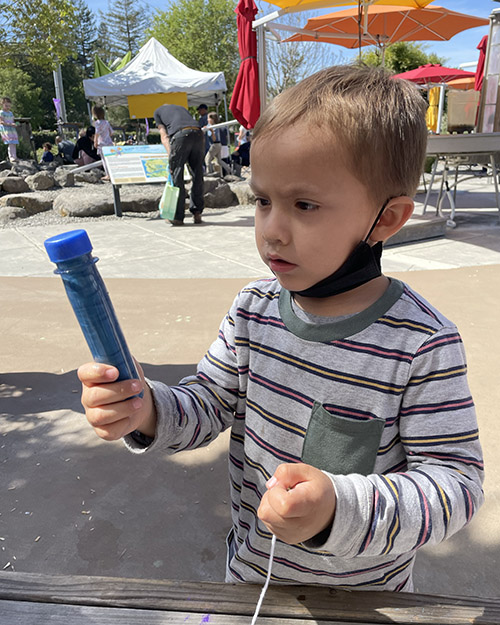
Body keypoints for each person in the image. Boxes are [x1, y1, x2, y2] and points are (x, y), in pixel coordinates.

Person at [78, 66, 484, 592]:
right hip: (252, 577)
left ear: (386, 220)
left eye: (304, 205)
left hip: (366, 598)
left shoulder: (421, 344)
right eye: (264, 200)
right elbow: (206, 403)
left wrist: (340, 507)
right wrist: (147, 410)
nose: (271, 230)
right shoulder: (253, 311)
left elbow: (456, 483)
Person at [153, 103, 204, 225]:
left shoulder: (157, 112)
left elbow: (164, 136)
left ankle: (177, 216)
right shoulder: (182, 108)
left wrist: (172, 157)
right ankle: (197, 212)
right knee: (197, 174)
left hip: (181, 135)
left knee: (177, 175)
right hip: (198, 133)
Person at [204, 112, 231, 177]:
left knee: (207, 159)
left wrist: (212, 132)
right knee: (219, 160)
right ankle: (229, 170)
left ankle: (210, 173)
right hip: (219, 145)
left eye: (208, 118)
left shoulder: (214, 127)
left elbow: (214, 139)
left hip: (215, 145)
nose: (207, 120)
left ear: (212, 119)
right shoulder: (212, 126)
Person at [92, 105, 114, 179]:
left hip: (102, 143)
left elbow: (97, 133)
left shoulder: (97, 123)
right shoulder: (106, 122)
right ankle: (112, 173)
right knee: (110, 159)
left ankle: (108, 174)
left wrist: (95, 141)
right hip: (109, 142)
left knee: (104, 160)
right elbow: (111, 132)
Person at [0, 96, 19, 163]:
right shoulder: (1, 112)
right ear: (2, 105)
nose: (8, 107)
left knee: (14, 142)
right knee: (10, 142)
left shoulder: (10, 113)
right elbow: (1, 122)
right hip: (6, 129)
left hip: (12, 129)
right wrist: (10, 124)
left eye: (9, 106)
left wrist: (16, 124)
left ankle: (15, 156)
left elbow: (13, 121)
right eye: (6, 105)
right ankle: (11, 157)